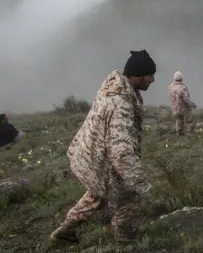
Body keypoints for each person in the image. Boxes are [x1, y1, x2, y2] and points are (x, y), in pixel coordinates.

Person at [49, 50, 157, 245]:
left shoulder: (114, 87)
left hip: (92, 157)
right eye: (150, 75)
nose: (153, 79)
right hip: (103, 161)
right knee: (129, 199)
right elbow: (121, 152)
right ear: (137, 76)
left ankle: (64, 231)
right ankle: (125, 241)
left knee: (95, 196)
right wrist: (142, 185)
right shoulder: (121, 104)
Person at [168, 71, 197, 135]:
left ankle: (179, 132)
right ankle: (190, 133)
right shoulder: (182, 88)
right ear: (181, 78)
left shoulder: (170, 87)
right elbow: (186, 99)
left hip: (174, 108)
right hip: (182, 108)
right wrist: (192, 105)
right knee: (189, 120)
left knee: (178, 120)